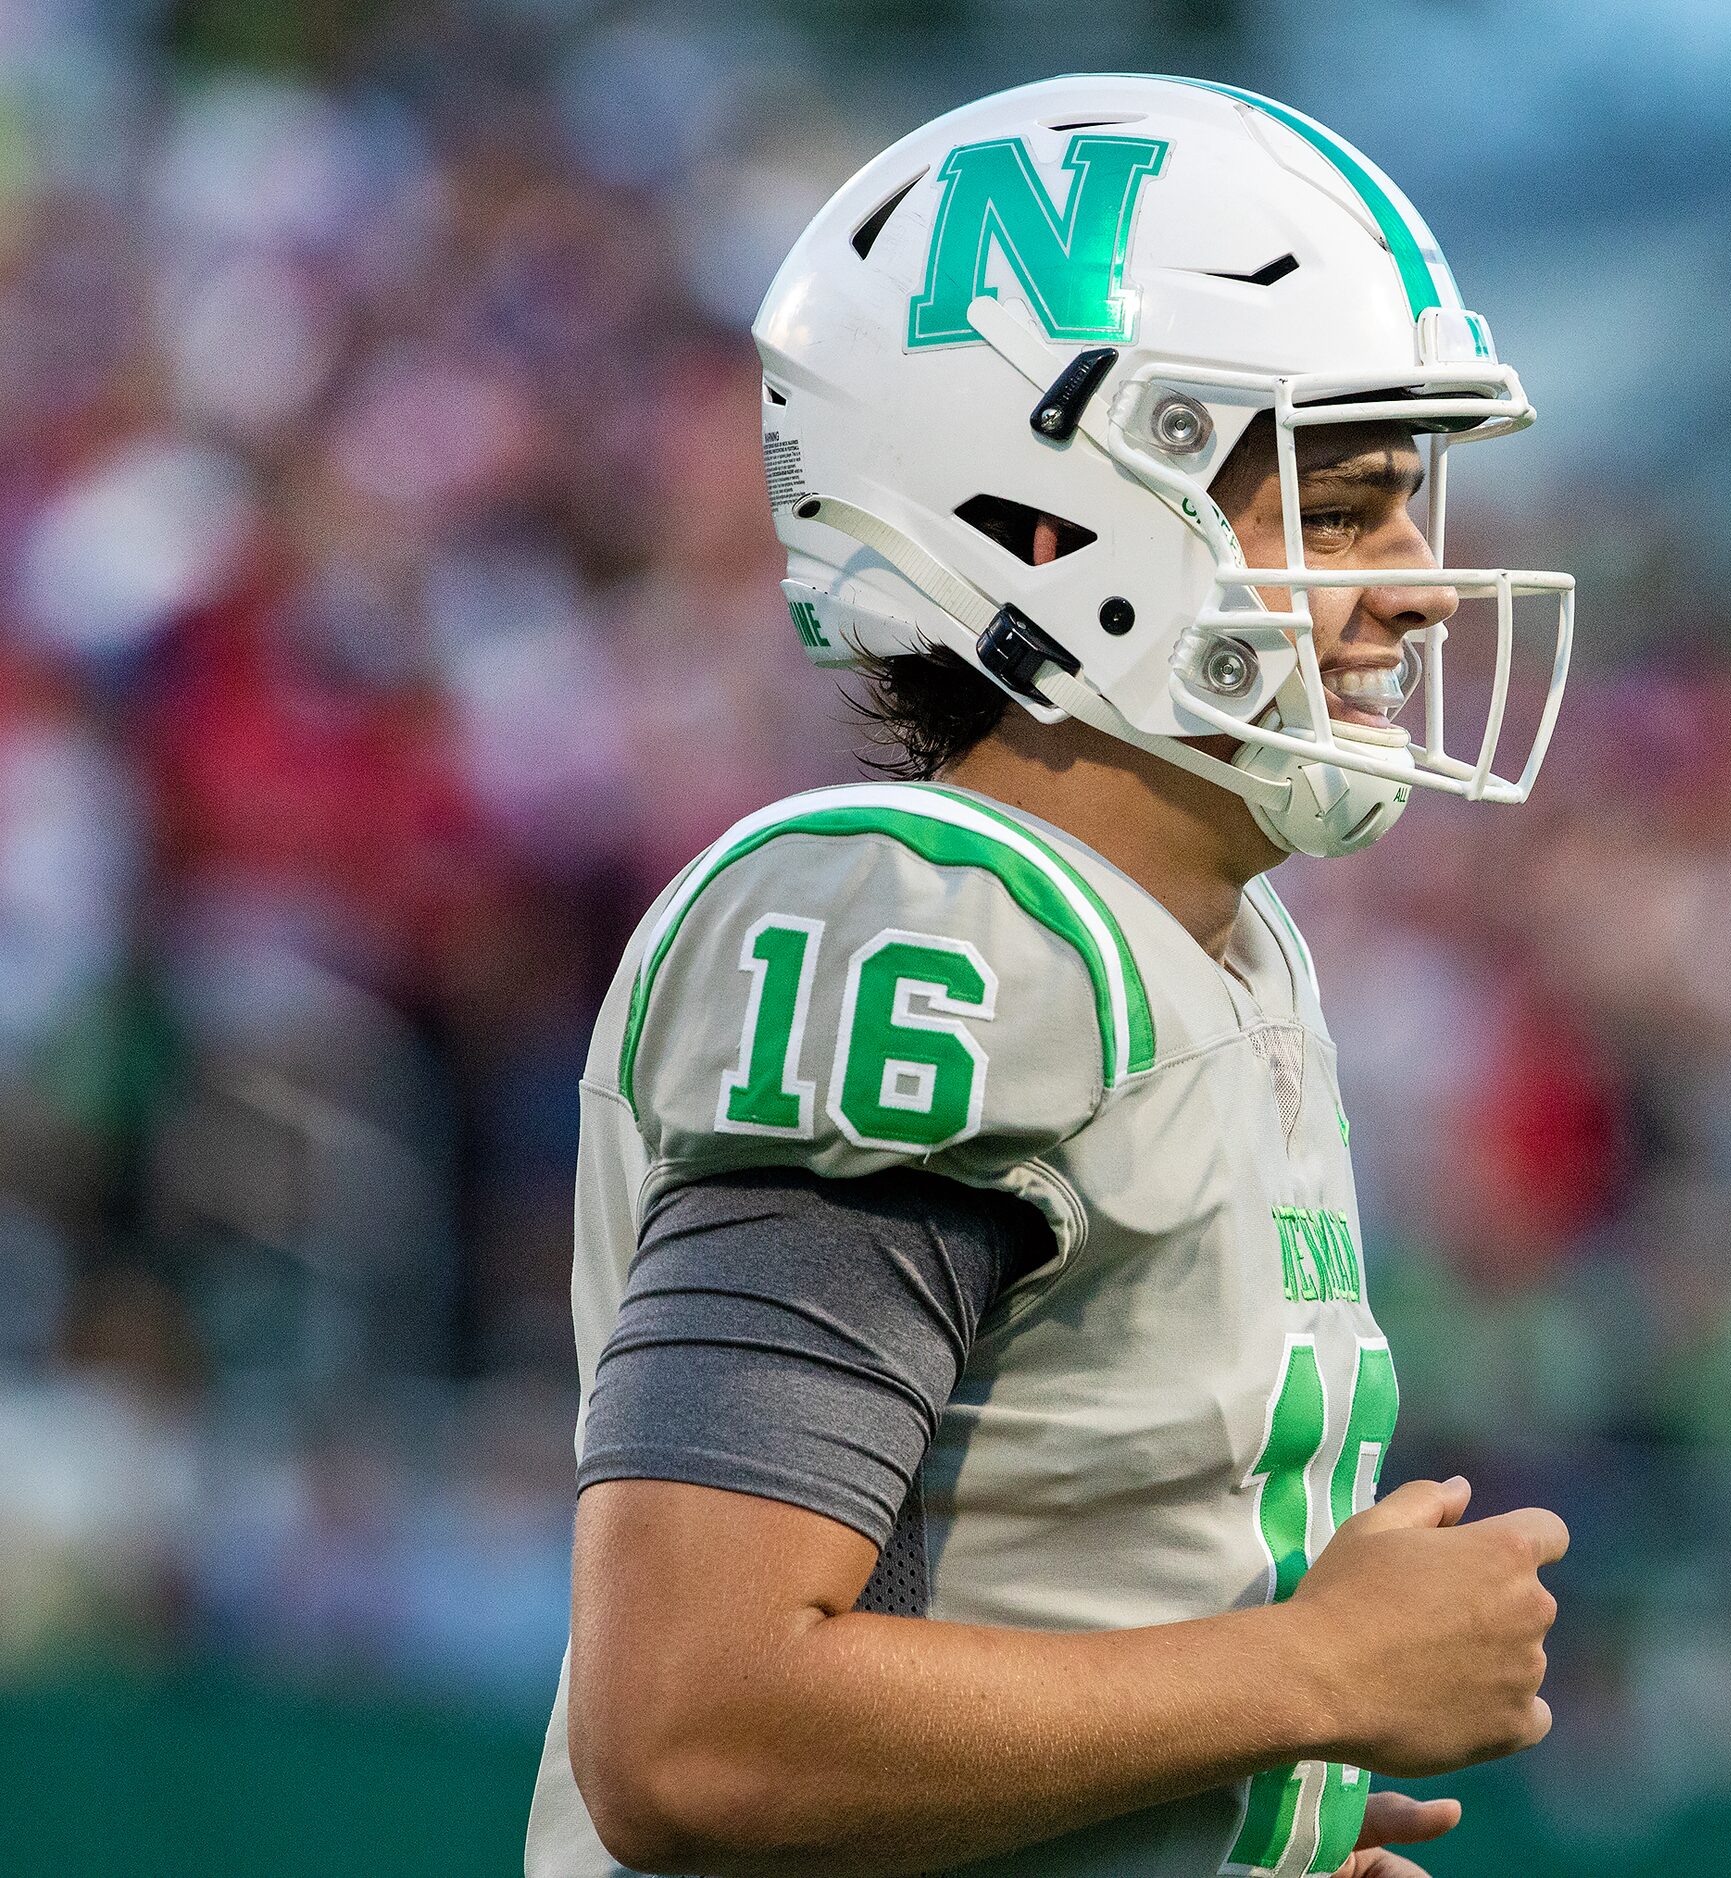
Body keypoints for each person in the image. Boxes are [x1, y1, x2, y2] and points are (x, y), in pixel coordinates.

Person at [525, 74, 1578, 1878]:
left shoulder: (1211, 947)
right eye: (1340, 505)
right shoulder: (925, 925)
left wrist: (1239, 1820)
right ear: (1043, 522)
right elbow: (693, 1726)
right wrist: (1308, 1672)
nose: (1419, 589)